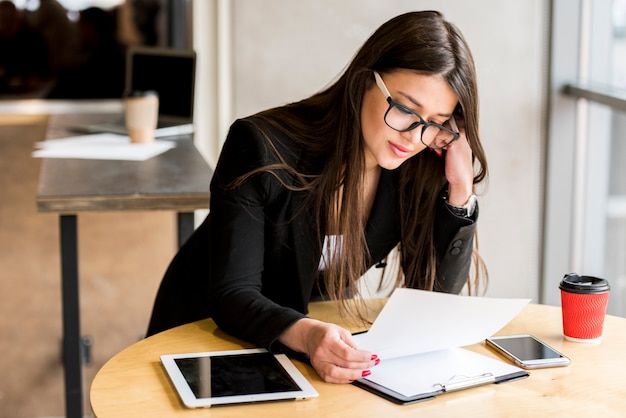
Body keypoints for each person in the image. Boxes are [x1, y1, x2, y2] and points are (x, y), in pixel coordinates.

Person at [147, 10, 488, 384]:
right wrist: (306, 333)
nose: (414, 135)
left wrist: (460, 191)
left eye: (437, 122)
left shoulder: (417, 166)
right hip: (205, 330)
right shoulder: (260, 145)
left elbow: (436, 303)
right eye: (406, 109)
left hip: (305, 344)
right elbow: (233, 293)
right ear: (363, 82)